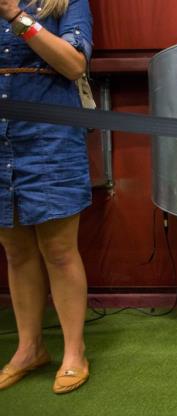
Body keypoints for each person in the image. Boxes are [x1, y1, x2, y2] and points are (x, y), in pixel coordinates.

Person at [0, 0, 93, 394]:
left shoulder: (67, 3)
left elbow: (74, 64)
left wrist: (15, 17)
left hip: (50, 135)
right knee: (15, 250)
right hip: (2, 137)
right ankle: (29, 348)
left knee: (58, 249)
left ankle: (74, 352)